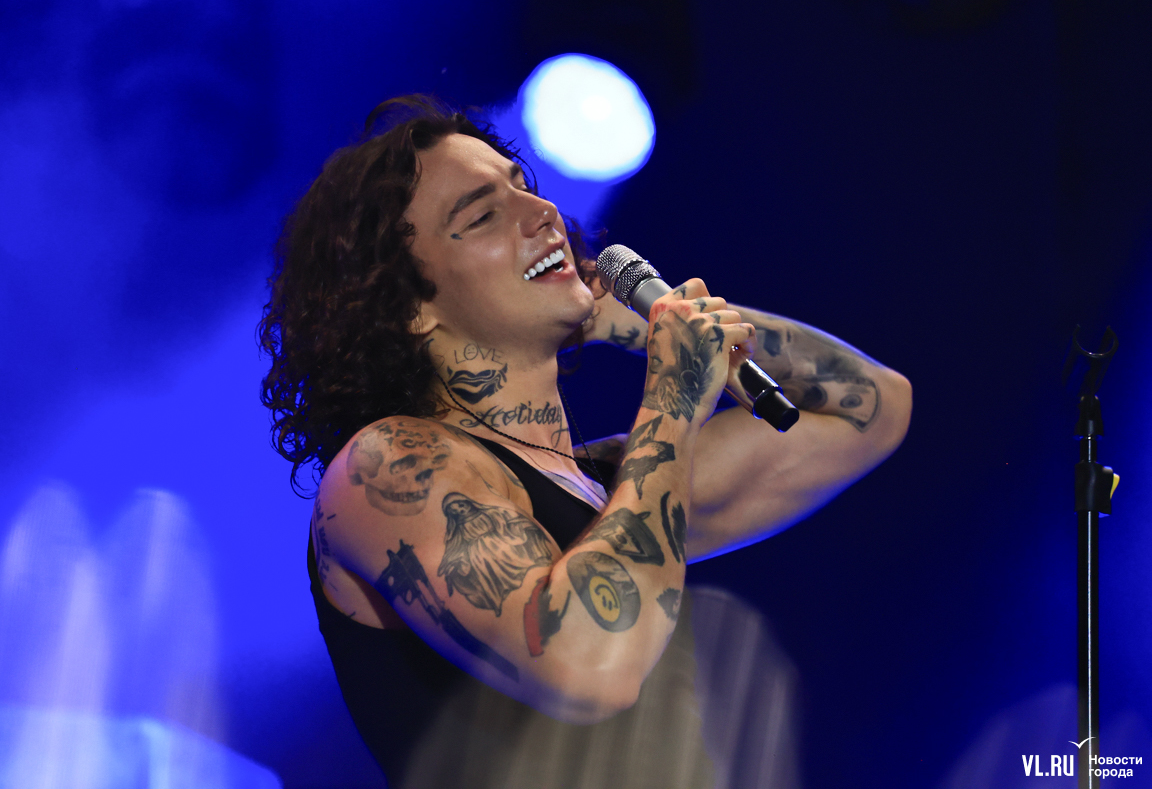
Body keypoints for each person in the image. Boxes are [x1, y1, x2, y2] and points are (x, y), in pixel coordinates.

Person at [258, 95, 912, 787]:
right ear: (409, 308)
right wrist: (673, 397)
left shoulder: (610, 483)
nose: (541, 212)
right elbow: (590, 664)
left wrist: (632, 315)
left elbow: (869, 410)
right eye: (482, 215)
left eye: (522, 185)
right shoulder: (388, 467)